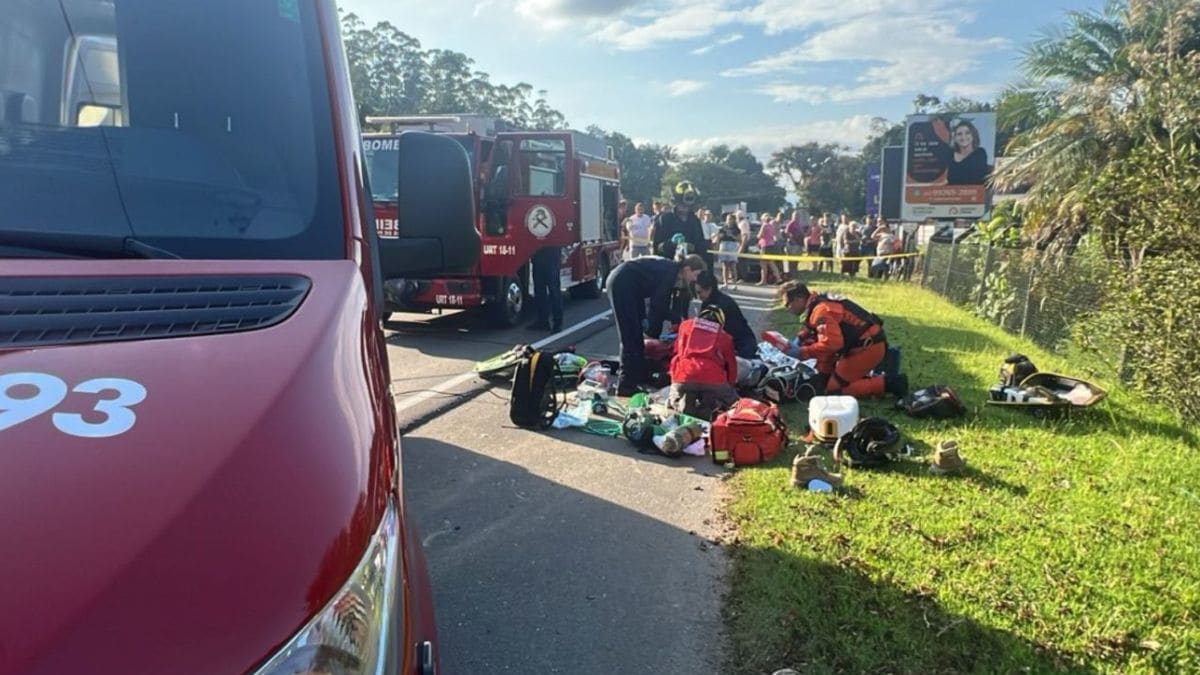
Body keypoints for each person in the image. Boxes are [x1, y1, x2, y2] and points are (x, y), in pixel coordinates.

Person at [779, 281, 907, 398]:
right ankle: (833, 377)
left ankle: (892, 383)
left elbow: (831, 345)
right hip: (866, 344)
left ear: (799, 298)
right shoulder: (818, 303)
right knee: (828, 375)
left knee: (834, 390)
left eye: (788, 304)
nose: (787, 308)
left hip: (867, 348)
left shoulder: (821, 311)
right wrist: (802, 338)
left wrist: (802, 352)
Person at [607, 254, 707, 395]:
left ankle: (635, 378)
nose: (695, 279)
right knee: (630, 336)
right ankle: (625, 386)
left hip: (632, 287)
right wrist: (677, 320)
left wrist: (671, 319)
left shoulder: (671, 271)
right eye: (695, 274)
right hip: (622, 284)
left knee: (637, 336)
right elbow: (658, 304)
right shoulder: (669, 272)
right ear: (687, 269)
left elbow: (661, 302)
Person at [667, 306, 740, 420]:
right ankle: (710, 407)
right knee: (737, 405)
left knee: (674, 398)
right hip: (714, 380)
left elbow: (677, 352)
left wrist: (674, 379)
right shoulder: (724, 336)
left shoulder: (685, 326)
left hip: (685, 376)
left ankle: (677, 404)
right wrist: (730, 386)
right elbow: (731, 365)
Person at [695, 271, 756, 359]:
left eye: (700, 292)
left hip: (741, 348)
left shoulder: (720, 306)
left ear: (709, 289)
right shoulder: (710, 301)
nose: (698, 297)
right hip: (734, 345)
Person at [653, 181, 708, 264]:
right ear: (676, 203)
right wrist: (671, 243)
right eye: (682, 205)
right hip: (668, 265)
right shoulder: (665, 219)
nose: (685, 208)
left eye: (688, 206)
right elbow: (658, 248)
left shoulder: (695, 221)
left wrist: (693, 247)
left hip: (689, 267)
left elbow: (701, 246)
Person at [528, 246, 563, 333]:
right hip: (538, 255)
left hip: (552, 255)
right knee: (539, 290)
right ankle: (543, 321)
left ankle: (557, 323)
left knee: (554, 290)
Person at [946, 119, 990, 185]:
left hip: (974, 191)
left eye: (967, 133)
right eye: (959, 134)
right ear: (955, 138)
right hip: (951, 191)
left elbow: (977, 178)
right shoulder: (949, 154)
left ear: (973, 135)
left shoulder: (980, 153)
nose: (963, 137)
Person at [717, 214, 741, 286]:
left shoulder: (736, 229)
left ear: (733, 220)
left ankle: (734, 283)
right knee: (725, 265)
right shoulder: (723, 228)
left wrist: (732, 235)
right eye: (727, 219)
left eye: (730, 219)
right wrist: (719, 239)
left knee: (732, 265)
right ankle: (725, 282)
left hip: (732, 245)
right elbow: (719, 237)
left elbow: (739, 239)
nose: (728, 220)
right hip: (723, 245)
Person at [757, 215, 782, 285]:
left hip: (765, 246)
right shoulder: (771, 226)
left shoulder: (764, 225)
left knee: (763, 264)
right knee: (771, 263)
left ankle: (763, 280)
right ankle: (778, 278)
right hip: (771, 245)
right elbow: (773, 234)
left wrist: (757, 236)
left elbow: (760, 235)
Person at [784, 210, 807, 279]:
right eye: (795, 215)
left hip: (799, 244)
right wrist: (791, 237)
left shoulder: (799, 224)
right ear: (792, 216)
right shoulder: (791, 223)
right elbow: (786, 232)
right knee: (792, 261)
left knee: (796, 260)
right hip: (792, 245)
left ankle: (795, 273)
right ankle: (791, 274)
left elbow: (802, 233)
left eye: (798, 215)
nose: (796, 217)